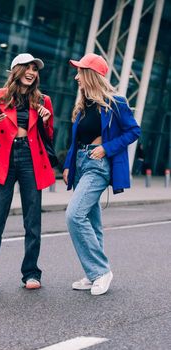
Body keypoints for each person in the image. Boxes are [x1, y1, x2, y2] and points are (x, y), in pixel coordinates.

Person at [0, 53, 55, 290]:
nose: (32, 72)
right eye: (27, 68)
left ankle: (31, 273)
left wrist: (46, 121)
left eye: (35, 70)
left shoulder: (43, 100)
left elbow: (49, 137)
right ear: (16, 70)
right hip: (3, 158)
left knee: (32, 222)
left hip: (31, 158)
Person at [63, 53, 140, 295]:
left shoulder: (115, 101)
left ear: (91, 75)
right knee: (92, 221)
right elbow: (75, 141)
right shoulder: (83, 105)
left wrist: (106, 148)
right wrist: (68, 165)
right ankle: (92, 273)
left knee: (74, 216)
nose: (76, 77)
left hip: (98, 166)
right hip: (80, 163)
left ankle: (101, 271)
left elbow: (134, 131)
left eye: (80, 72)